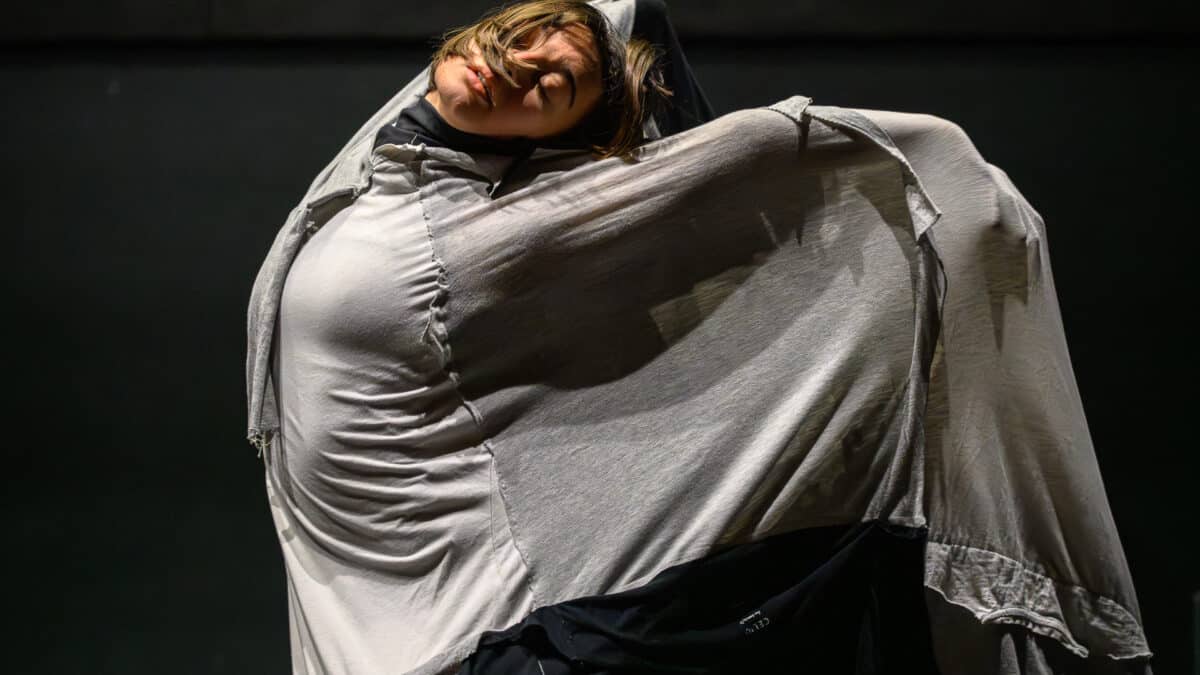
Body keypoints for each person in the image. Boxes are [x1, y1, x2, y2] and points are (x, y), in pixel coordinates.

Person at [248, 0, 1152, 672]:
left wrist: (940, 179)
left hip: (457, 630)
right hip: (364, 607)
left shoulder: (506, 229)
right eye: (522, 38)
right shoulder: (385, 171)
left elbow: (775, 154)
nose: (515, 69)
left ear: (566, 136)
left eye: (554, 84)